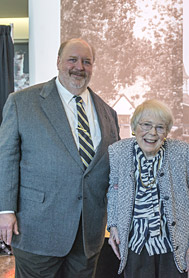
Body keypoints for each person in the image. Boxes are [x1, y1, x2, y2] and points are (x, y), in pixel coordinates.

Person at [0, 38, 120, 278]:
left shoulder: (108, 113)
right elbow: (7, 159)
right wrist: (5, 210)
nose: (79, 67)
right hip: (37, 229)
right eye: (72, 59)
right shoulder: (23, 102)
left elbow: (113, 173)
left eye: (87, 62)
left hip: (88, 236)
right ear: (58, 62)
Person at [107, 99, 189, 278]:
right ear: (134, 127)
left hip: (175, 247)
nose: (152, 133)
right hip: (135, 245)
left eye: (160, 127)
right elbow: (114, 189)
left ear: (166, 132)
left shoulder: (183, 152)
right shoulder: (118, 151)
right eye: (146, 125)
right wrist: (113, 224)